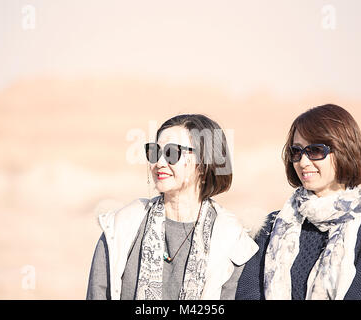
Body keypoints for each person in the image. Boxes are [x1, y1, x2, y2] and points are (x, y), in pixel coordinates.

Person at [87, 114, 258, 300]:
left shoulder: (232, 239)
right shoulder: (121, 227)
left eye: (172, 153)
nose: (159, 163)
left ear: (203, 164)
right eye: (154, 152)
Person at [236, 104, 361, 300]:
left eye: (315, 150)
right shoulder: (269, 227)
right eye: (296, 151)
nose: (303, 162)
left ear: (344, 150)